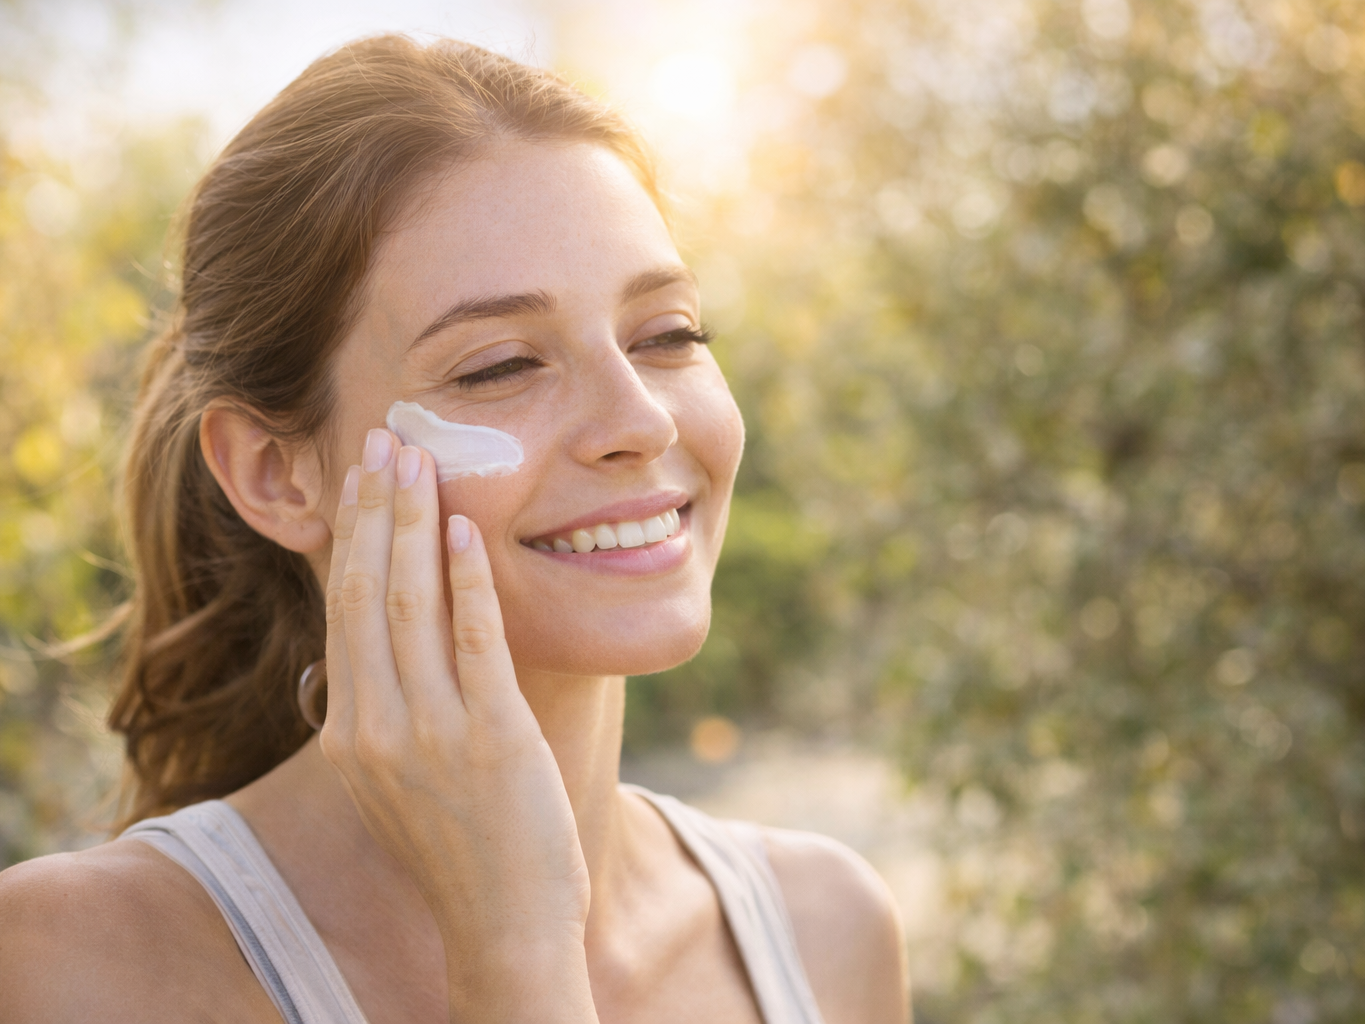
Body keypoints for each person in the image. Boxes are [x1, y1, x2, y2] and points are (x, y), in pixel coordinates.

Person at [0, 35, 908, 1024]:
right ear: (275, 474)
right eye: (501, 365)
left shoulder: (828, 930)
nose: (642, 419)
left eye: (668, 334)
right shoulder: (77, 965)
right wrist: (515, 948)